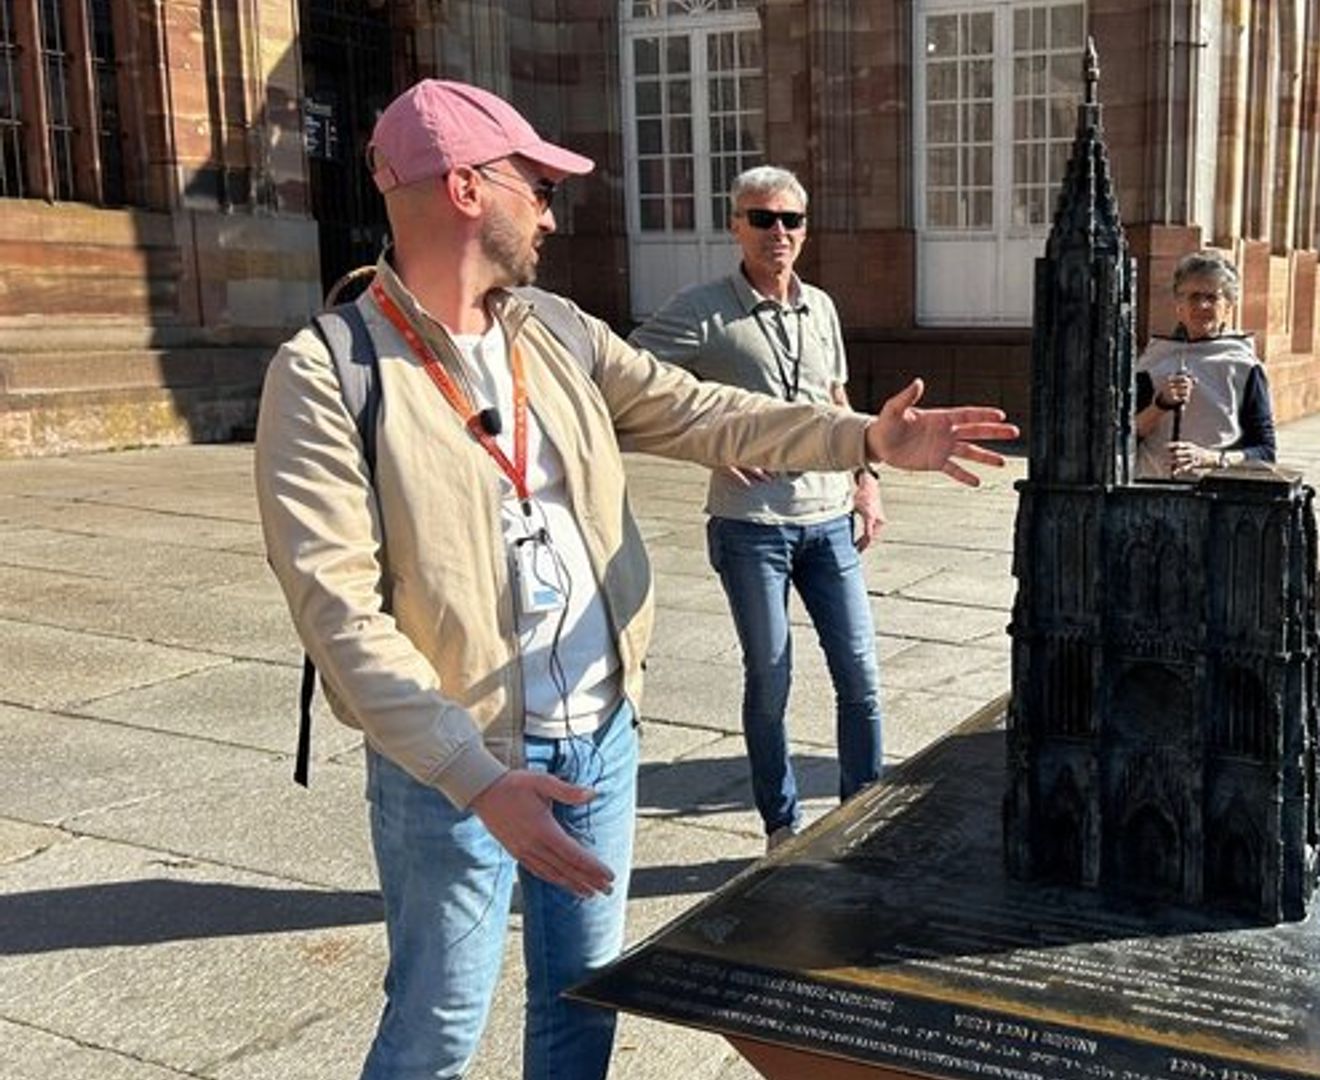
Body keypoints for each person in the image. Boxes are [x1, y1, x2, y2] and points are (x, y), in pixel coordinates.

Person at [252, 78, 1016, 1080]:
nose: (553, 212)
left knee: (584, 1008)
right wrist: (476, 780)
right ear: (469, 189)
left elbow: (705, 411)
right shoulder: (326, 373)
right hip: (453, 764)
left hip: (600, 742)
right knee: (438, 1025)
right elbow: (339, 614)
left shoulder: (556, 330)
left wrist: (863, 436)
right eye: (536, 184)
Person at [629, 166, 885, 854]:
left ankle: (862, 814)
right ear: (736, 225)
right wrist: (706, 446)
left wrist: (865, 480)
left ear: (805, 229)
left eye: (791, 220)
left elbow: (837, 401)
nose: (779, 232)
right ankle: (780, 824)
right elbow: (631, 378)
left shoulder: (821, 307)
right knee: (770, 676)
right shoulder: (704, 308)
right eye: (762, 218)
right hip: (752, 527)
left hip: (829, 519)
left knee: (860, 675)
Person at [1131, 250, 1277, 479]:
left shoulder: (1244, 366)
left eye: (1212, 297)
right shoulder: (1153, 360)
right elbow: (1125, 436)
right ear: (1178, 304)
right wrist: (1159, 405)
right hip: (1152, 491)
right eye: (1193, 296)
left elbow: (1265, 451)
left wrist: (1211, 458)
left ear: (1229, 306)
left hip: (1216, 497)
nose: (1202, 305)